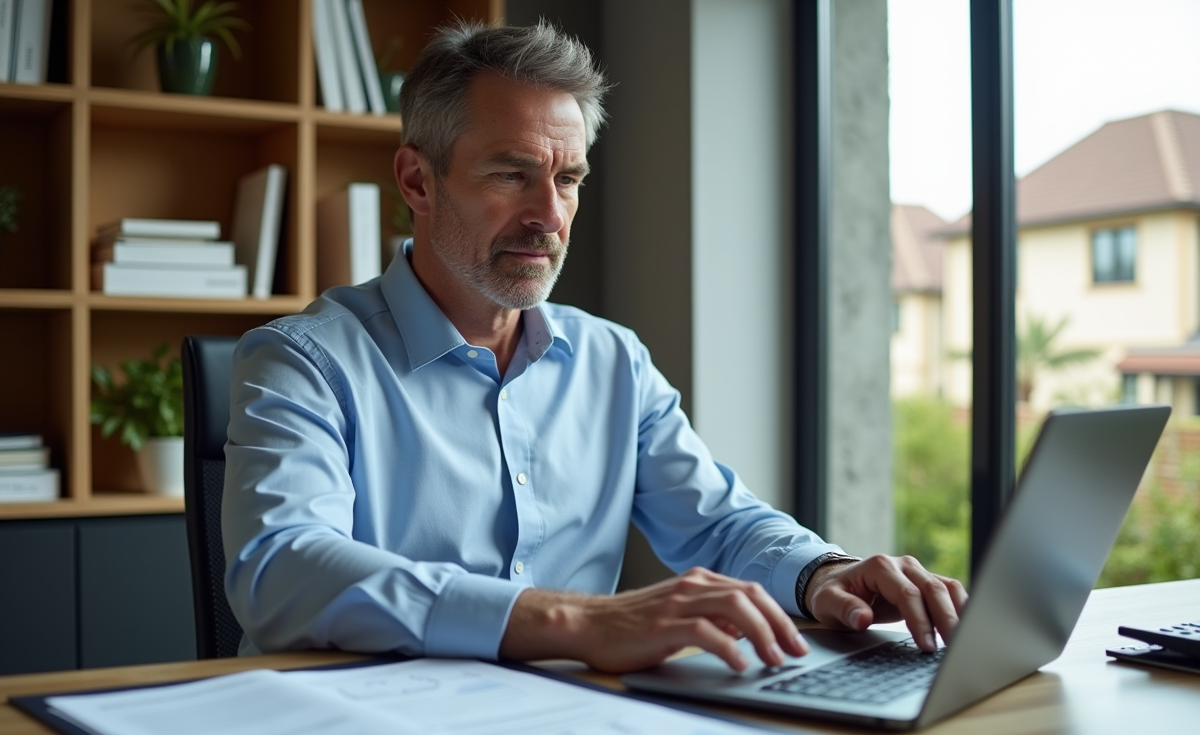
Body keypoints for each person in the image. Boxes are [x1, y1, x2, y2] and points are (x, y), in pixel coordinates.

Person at [222, 21, 966, 673]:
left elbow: (717, 522)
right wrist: (574, 621)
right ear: (418, 180)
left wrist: (821, 574)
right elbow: (282, 568)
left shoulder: (613, 361)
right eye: (512, 174)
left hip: (570, 730)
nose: (549, 215)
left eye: (568, 178)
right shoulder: (301, 361)